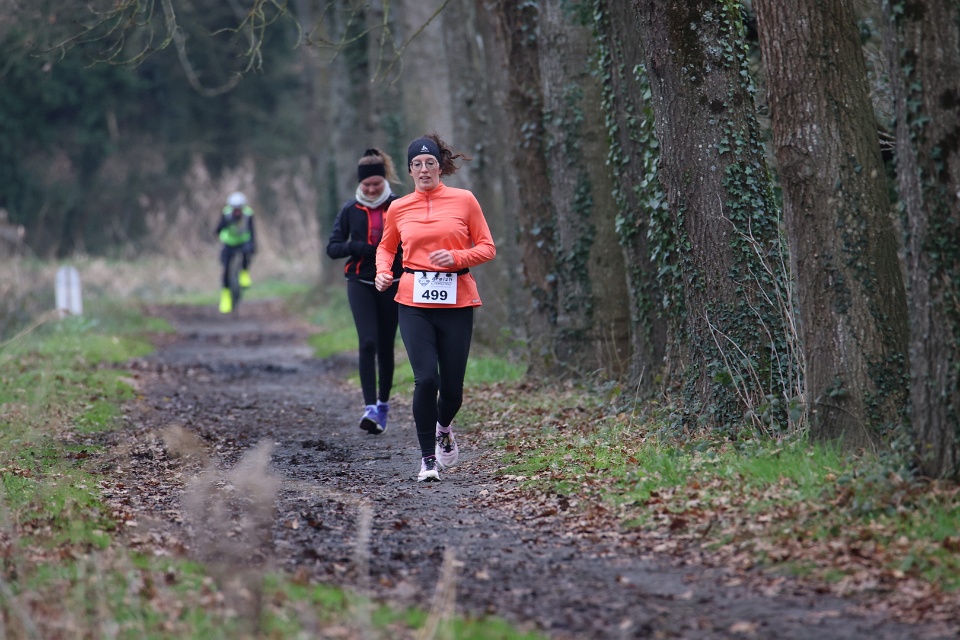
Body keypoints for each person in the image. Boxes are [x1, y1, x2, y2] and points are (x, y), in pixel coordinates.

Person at [375, 133, 496, 482]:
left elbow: (487, 247)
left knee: (452, 390)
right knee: (426, 379)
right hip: (413, 301)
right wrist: (383, 272)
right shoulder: (398, 208)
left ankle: (444, 428)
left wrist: (456, 257)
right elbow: (386, 248)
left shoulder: (464, 200)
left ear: (440, 167)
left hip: (456, 300)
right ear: (410, 171)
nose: (424, 169)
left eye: (430, 163)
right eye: (417, 164)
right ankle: (427, 460)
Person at [326, 148, 403, 434]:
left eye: (376, 184)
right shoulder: (350, 210)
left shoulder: (399, 206)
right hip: (360, 282)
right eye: (366, 184)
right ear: (359, 183)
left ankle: (383, 405)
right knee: (368, 342)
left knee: (385, 345)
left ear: (385, 180)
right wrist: (357, 247)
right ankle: (369, 407)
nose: (371, 189)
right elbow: (333, 248)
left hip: (392, 282)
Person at [216, 191, 256, 314]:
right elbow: (218, 229)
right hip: (229, 242)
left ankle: (244, 274)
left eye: (239, 209)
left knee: (247, 253)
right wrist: (222, 236)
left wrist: (253, 246)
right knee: (226, 268)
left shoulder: (248, 215)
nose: (237, 212)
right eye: (235, 209)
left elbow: (252, 232)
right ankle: (225, 297)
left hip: (243, 241)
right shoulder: (226, 214)